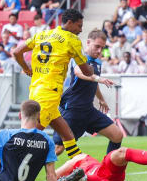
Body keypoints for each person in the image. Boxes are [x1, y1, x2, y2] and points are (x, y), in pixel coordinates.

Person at [12, 9, 93, 164]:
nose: (81, 30)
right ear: (69, 23)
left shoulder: (42, 34)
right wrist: (91, 64)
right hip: (50, 94)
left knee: (68, 135)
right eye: (79, 25)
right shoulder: (71, 40)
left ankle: (81, 167)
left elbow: (16, 52)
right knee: (27, 139)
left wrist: (26, 68)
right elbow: (86, 71)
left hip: (36, 90)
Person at [52, 29, 123, 159]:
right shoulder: (80, 58)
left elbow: (92, 83)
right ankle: (30, 173)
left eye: (102, 47)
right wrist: (99, 79)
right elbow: (80, 73)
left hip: (88, 111)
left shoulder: (98, 62)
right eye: (97, 46)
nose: (99, 51)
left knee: (117, 135)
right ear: (88, 42)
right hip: (72, 110)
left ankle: (109, 175)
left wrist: (101, 99)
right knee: (58, 148)